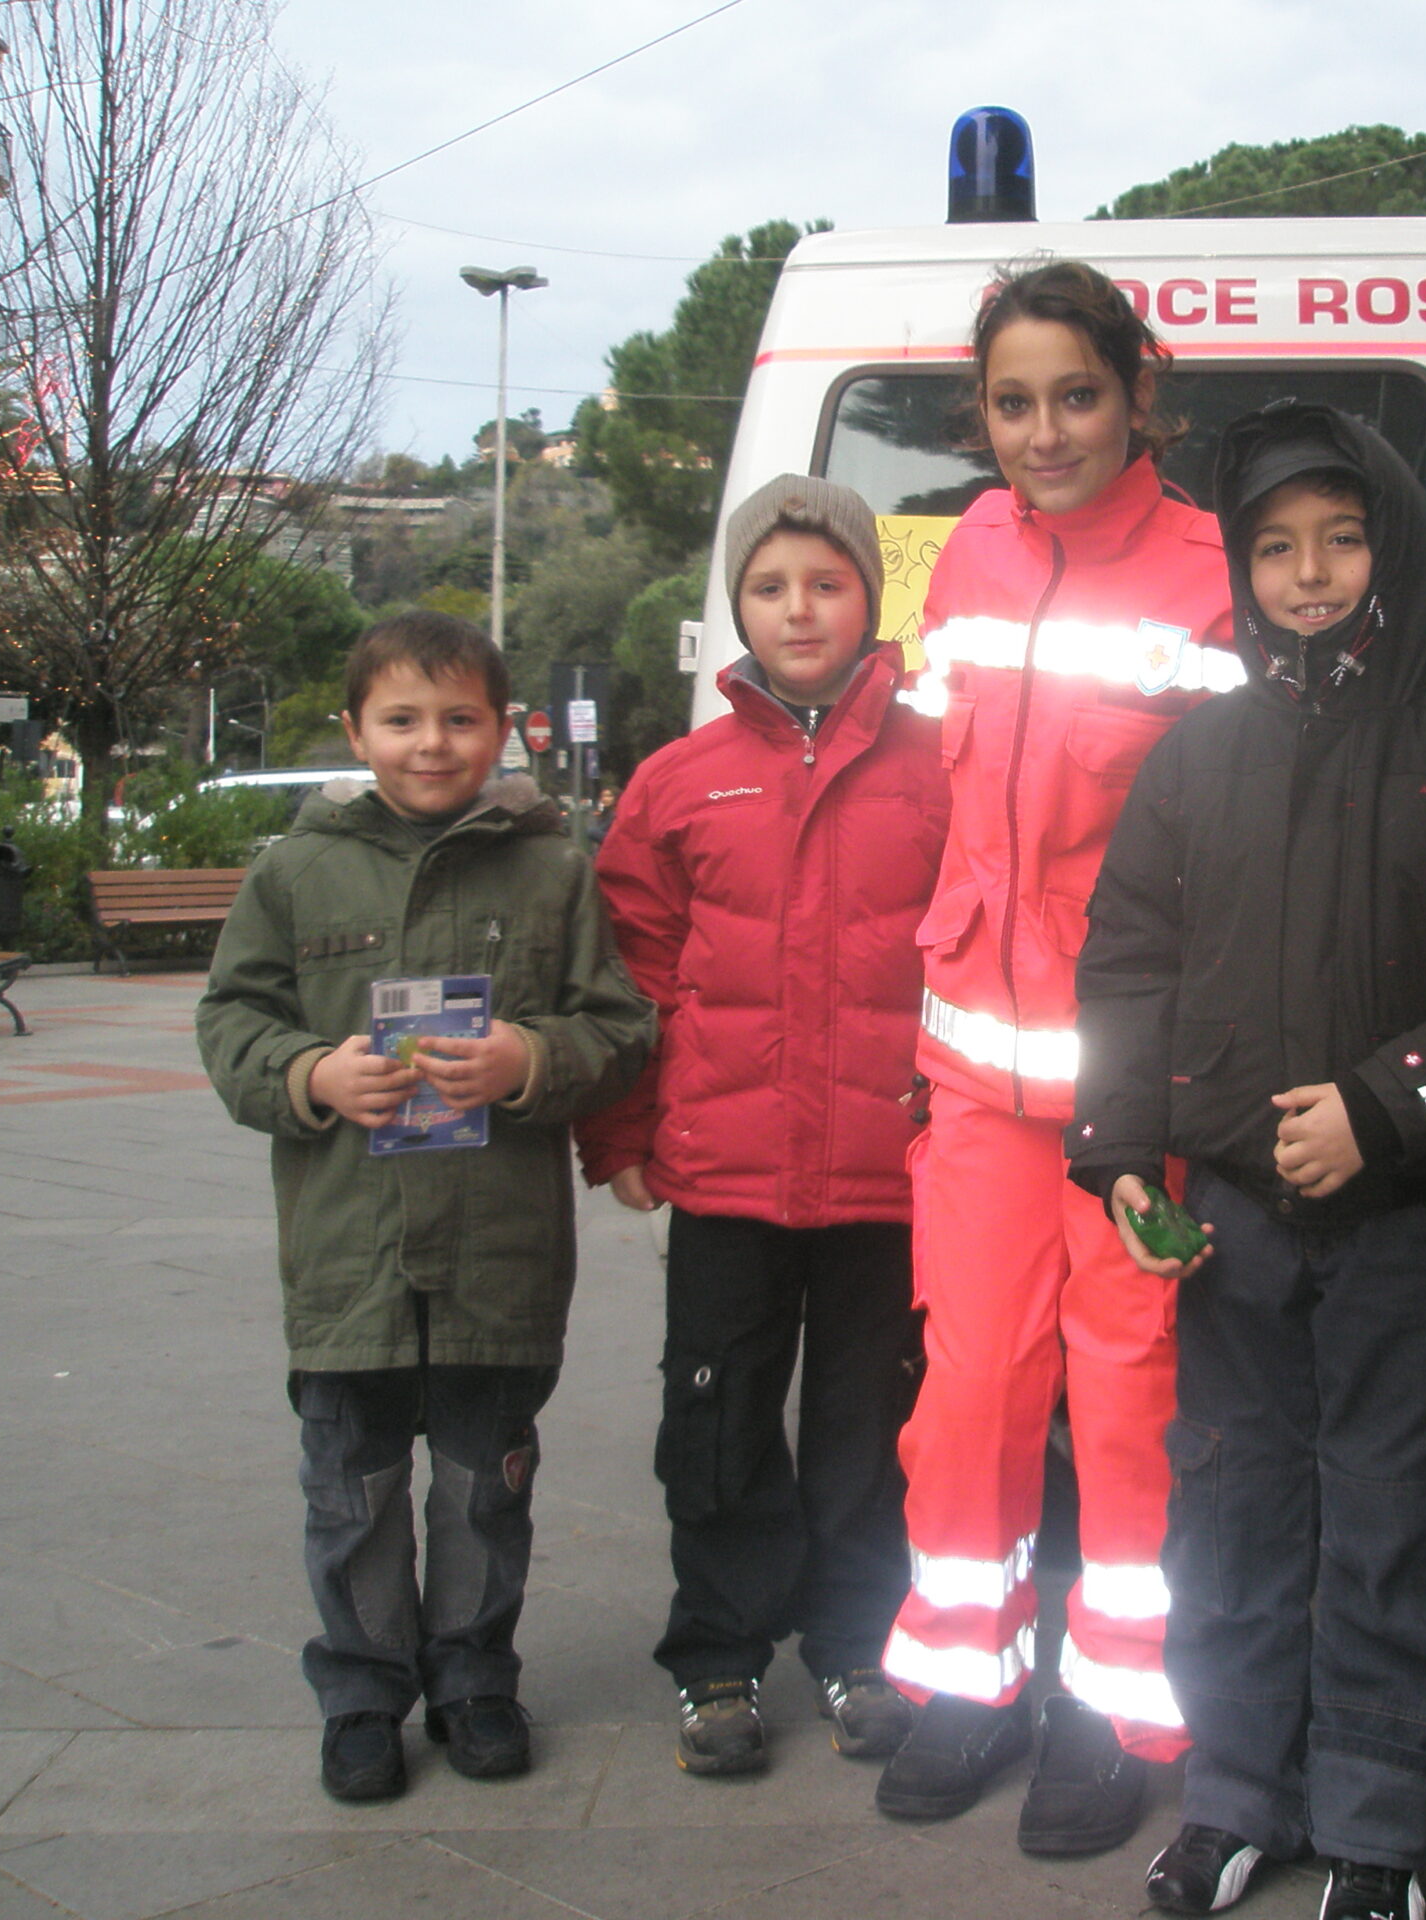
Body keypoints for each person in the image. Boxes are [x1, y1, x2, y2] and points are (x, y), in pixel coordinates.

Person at [1069, 402, 1426, 1920]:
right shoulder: (1194, 760)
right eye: (1275, 548)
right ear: (1242, 571)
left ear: (1397, 549)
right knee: (1230, 1514)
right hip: (1232, 1220)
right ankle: (1236, 1798)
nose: (1308, 574)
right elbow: (1127, 965)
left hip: (1405, 1219)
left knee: (1390, 1516)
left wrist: (1383, 1106)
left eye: (1343, 538)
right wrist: (1121, 1155)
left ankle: (1378, 1829)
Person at [876, 259, 1238, 1856]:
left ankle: (1117, 1708)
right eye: (1013, 403)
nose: (1046, 431)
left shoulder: (1216, 575)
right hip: (975, 1079)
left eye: (1077, 395)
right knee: (968, 1395)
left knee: (1133, 1401)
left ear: (1139, 391)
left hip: (1139, 1097)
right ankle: (971, 1677)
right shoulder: (962, 551)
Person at [197, 611, 656, 1806]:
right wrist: (311, 1076)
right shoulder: (295, 871)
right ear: (355, 731)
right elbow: (232, 1021)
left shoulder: (552, 869)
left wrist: (528, 1058)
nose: (432, 742)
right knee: (348, 1490)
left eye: (460, 718)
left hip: (498, 1253)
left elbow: (618, 1026)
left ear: (503, 729)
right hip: (347, 1252)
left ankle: (473, 1677)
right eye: (401, 719)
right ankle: (362, 1692)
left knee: (482, 1484)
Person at [576, 475, 949, 1778]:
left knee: (869, 1432)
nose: (800, 608)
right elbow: (633, 972)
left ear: (870, 600)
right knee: (717, 1423)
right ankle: (718, 1655)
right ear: (737, 604)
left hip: (888, 1179)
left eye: (827, 582)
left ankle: (858, 1644)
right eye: (771, 585)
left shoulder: (940, 767)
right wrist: (621, 1134)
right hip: (725, 1179)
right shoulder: (678, 783)